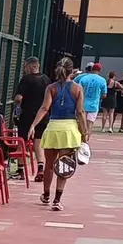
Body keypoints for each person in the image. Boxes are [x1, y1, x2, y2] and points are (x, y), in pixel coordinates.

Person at [27, 57, 88, 210]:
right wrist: (85, 132)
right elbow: (80, 112)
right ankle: (57, 200)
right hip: (69, 130)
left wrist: (33, 125)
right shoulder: (77, 88)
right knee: (64, 163)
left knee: (49, 164)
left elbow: (44, 108)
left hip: (53, 128)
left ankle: (46, 194)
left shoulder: (51, 88)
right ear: (71, 71)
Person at [13, 57, 50, 175]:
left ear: (30, 66)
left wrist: (16, 104)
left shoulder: (26, 79)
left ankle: (20, 169)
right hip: (42, 115)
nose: (25, 69)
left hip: (27, 115)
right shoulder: (46, 80)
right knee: (38, 141)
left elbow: (19, 97)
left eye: (25, 67)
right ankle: (40, 167)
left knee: (22, 141)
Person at [75, 61, 107, 138]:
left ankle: (80, 140)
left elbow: (78, 91)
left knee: (81, 124)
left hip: (82, 104)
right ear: (99, 70)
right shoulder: (102, 80)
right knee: (89, 125)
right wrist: (98, 97)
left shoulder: (83, 78)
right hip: (94, 106)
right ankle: (86, 141)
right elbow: (104, 95)